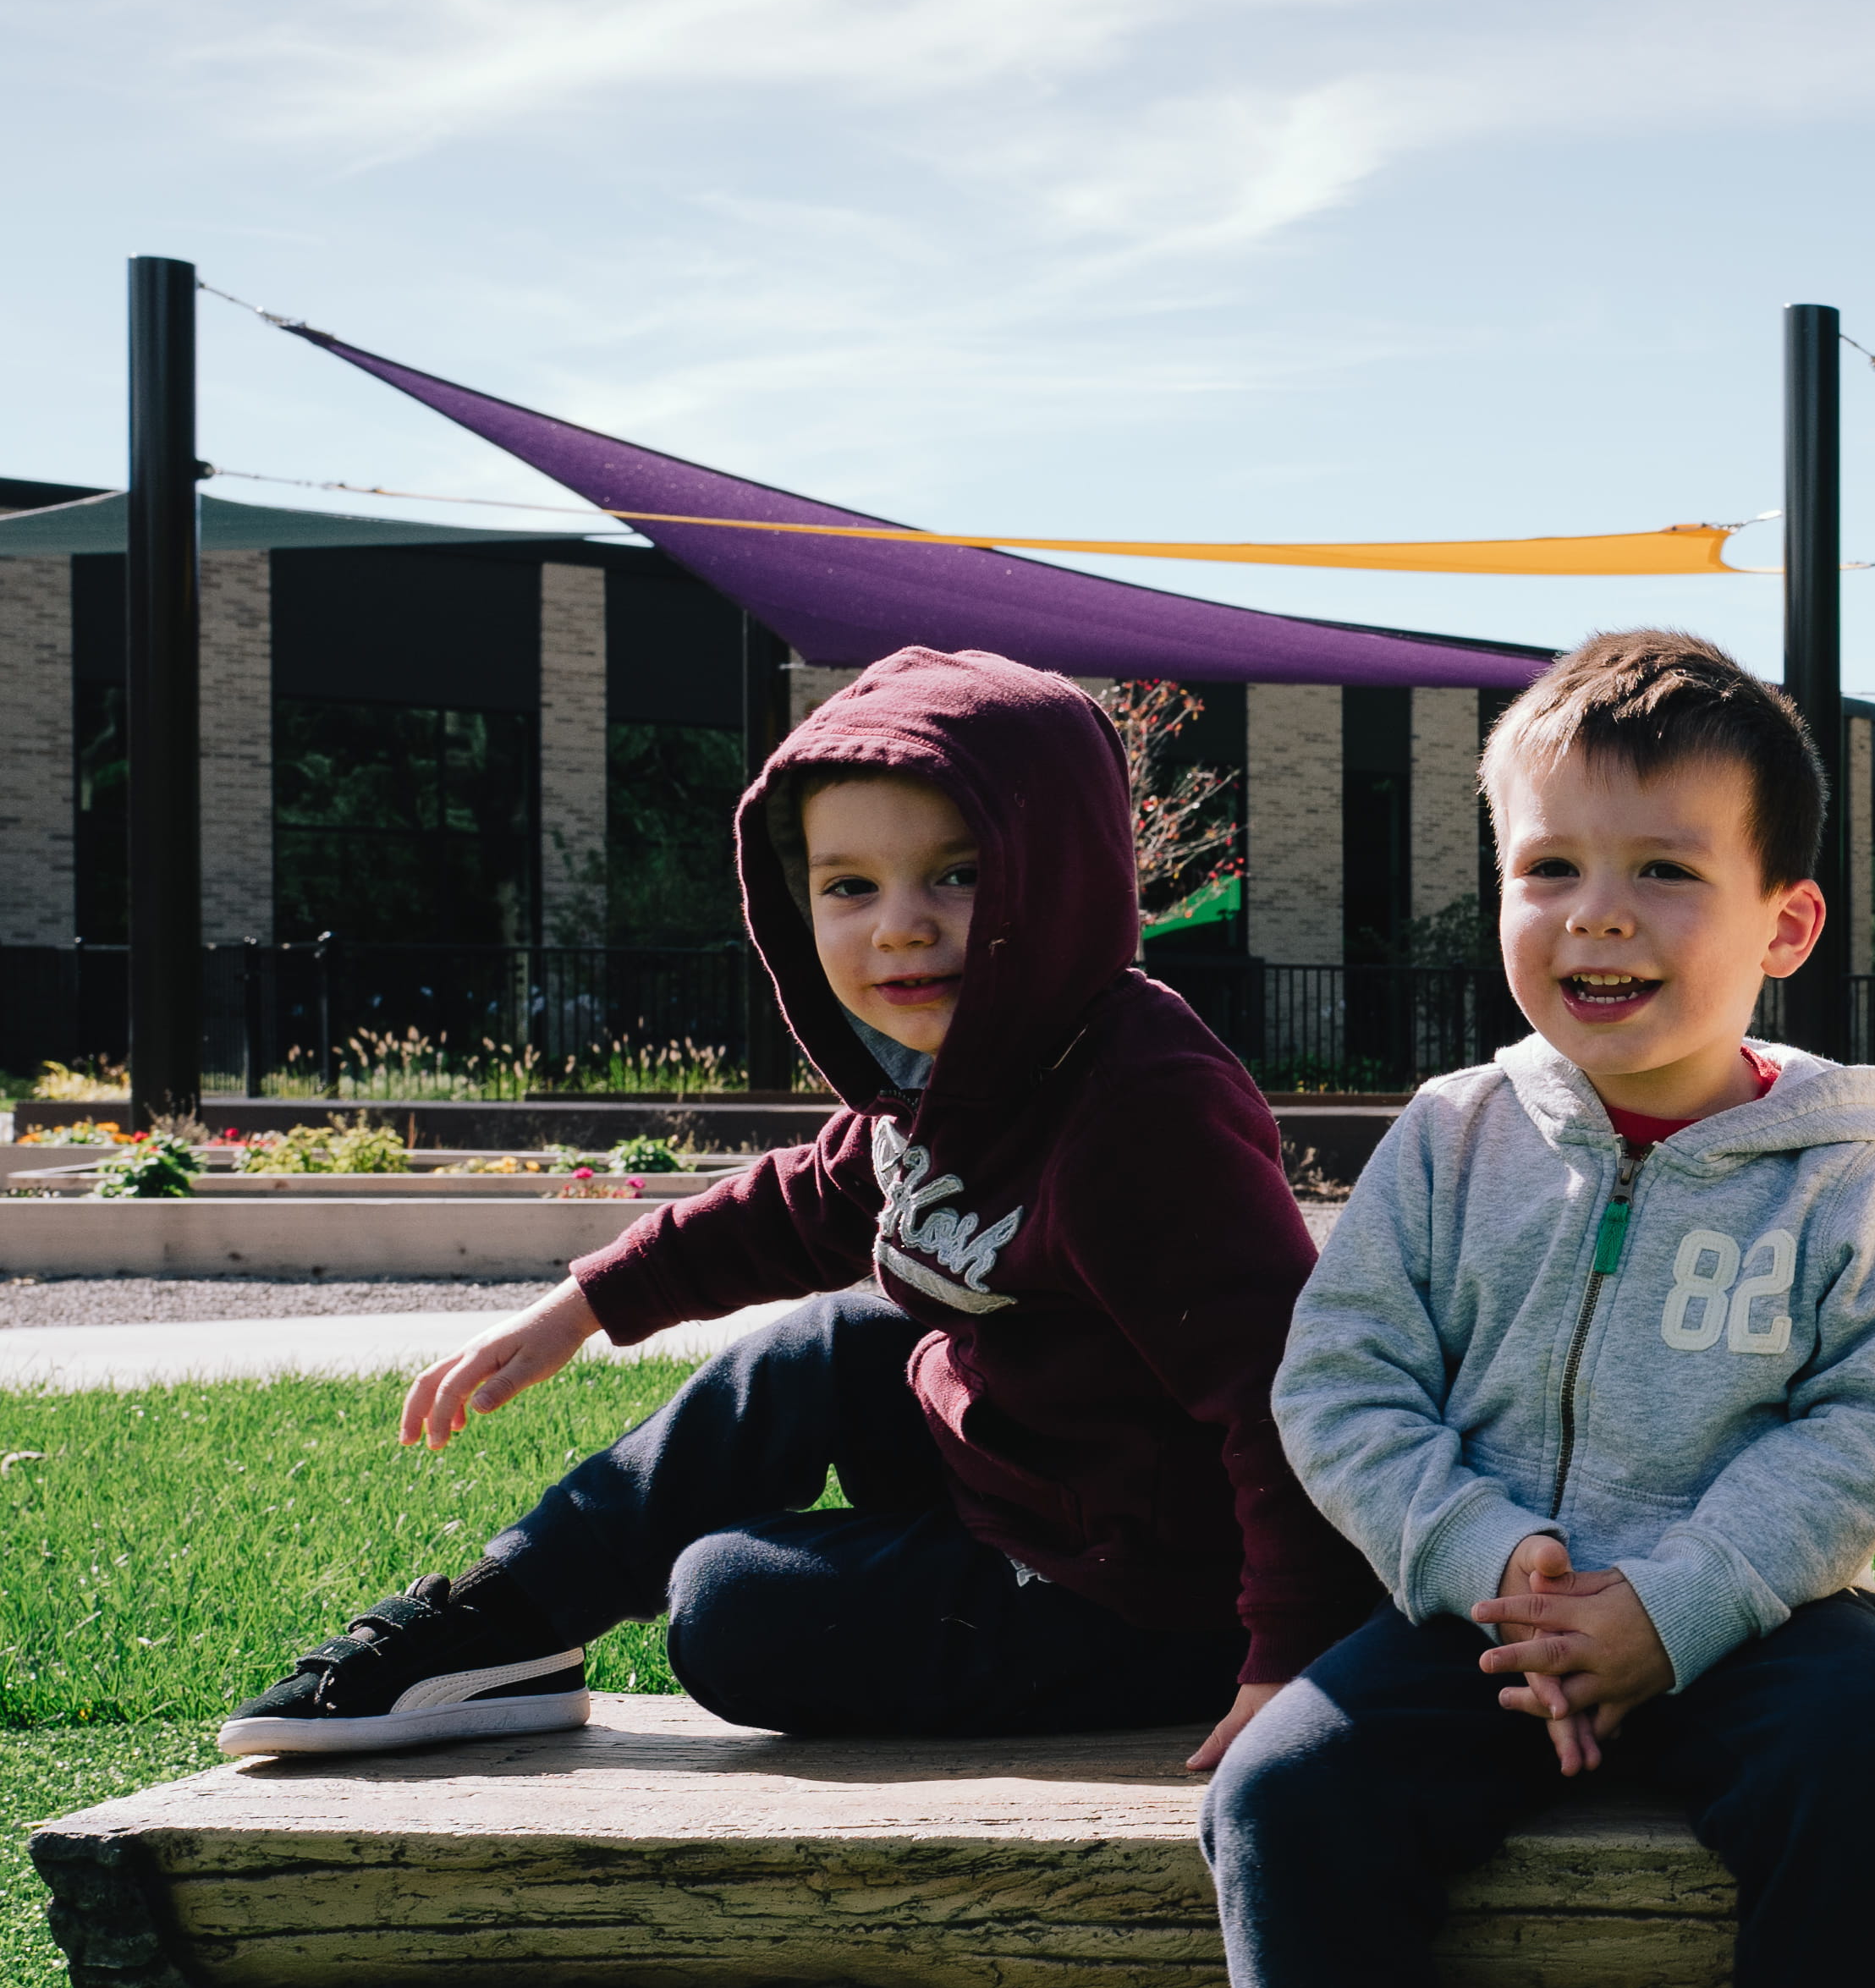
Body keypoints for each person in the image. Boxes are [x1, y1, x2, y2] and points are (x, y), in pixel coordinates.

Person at [1209, 629, 1875, 1988]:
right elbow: (1345, 1378)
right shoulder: (1455, 1137)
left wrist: (1676, 1607)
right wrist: (1487, 1562)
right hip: (1484, 1611)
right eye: (1549, 869)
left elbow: (1866, 1425)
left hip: (1752, 1617)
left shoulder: (1842, 1160)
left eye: (1661, 873)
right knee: (1286, 1794)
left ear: (1781, 925)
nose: (1595, 919)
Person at [219, 646, 1368, 1769]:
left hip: (1152, 1597)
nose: (899, 924)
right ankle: (502, 1624)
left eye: (959, 873)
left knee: (725, 1602)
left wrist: (1294, 1657)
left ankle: (825, 1593)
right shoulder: (948, 1077)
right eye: (849, 887)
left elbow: (1286, 1390)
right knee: (832, 1344)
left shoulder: (1143, 1108)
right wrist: (576, 1306)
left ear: (1060, 875)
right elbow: (795, 1204)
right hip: (1036, 1479)